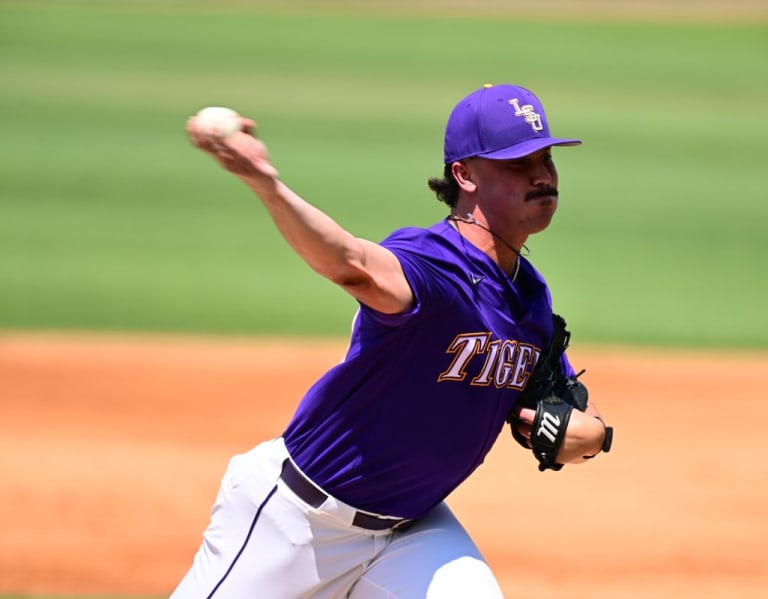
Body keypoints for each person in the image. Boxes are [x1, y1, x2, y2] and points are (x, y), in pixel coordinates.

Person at [172, 83, 611, 598]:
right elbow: (353, 265)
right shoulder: (433, 263)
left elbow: (577, 415)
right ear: (465, 175)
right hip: (300, 524)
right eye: (518, 163)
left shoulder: (530, 299)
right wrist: (268, 185)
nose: (542, 175)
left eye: (546, 158)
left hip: (412, 531)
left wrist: (594, 436)